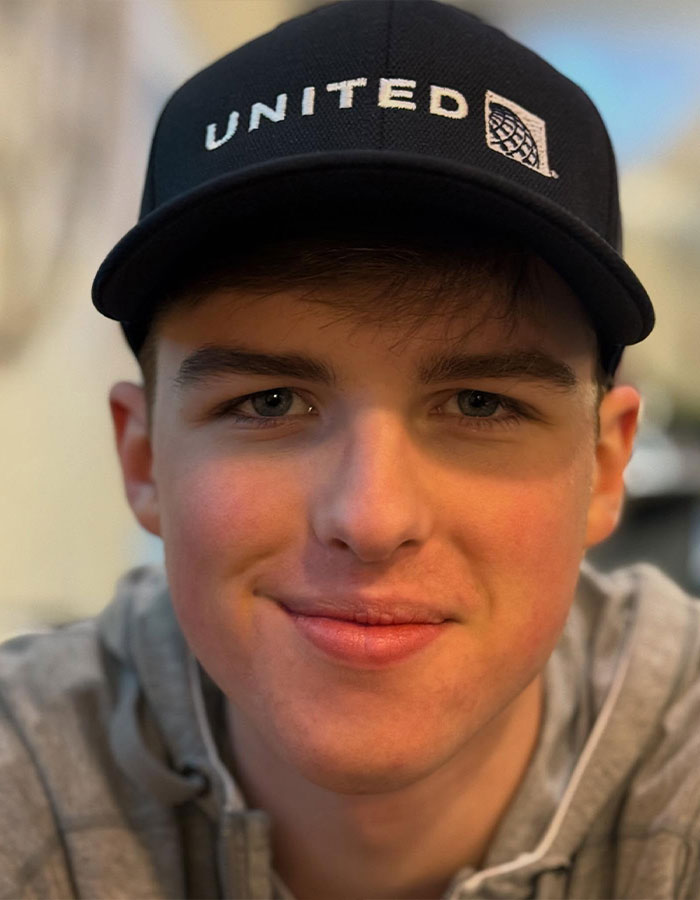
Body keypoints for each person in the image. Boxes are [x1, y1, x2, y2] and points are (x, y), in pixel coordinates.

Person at [1, 1, 699, 898]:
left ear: (604, 469)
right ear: (142, 461)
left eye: (481, 403)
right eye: (271, 401)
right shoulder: (31, 778)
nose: (370, 518)